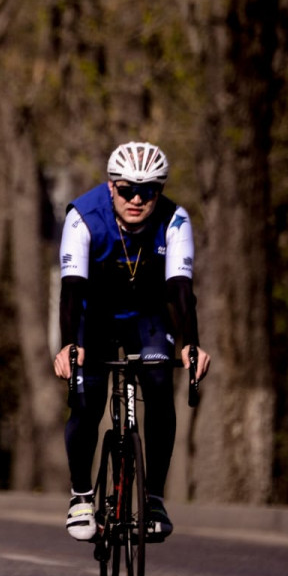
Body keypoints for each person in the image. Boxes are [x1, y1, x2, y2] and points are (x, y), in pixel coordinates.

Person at [52, 141, 211, 543]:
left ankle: (154, 497)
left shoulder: (175, 220)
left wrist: (191, 344)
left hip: (148, 316)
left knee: (159, 386)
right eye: (126, 190)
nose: (137, 199)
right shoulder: (83, 217)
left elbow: (179, 289)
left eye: (149, 191)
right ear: (111, 188)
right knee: (85, 401)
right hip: (94, 317)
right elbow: (70, 289)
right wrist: (69, 344)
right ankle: (81, 496)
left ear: (160, 191)